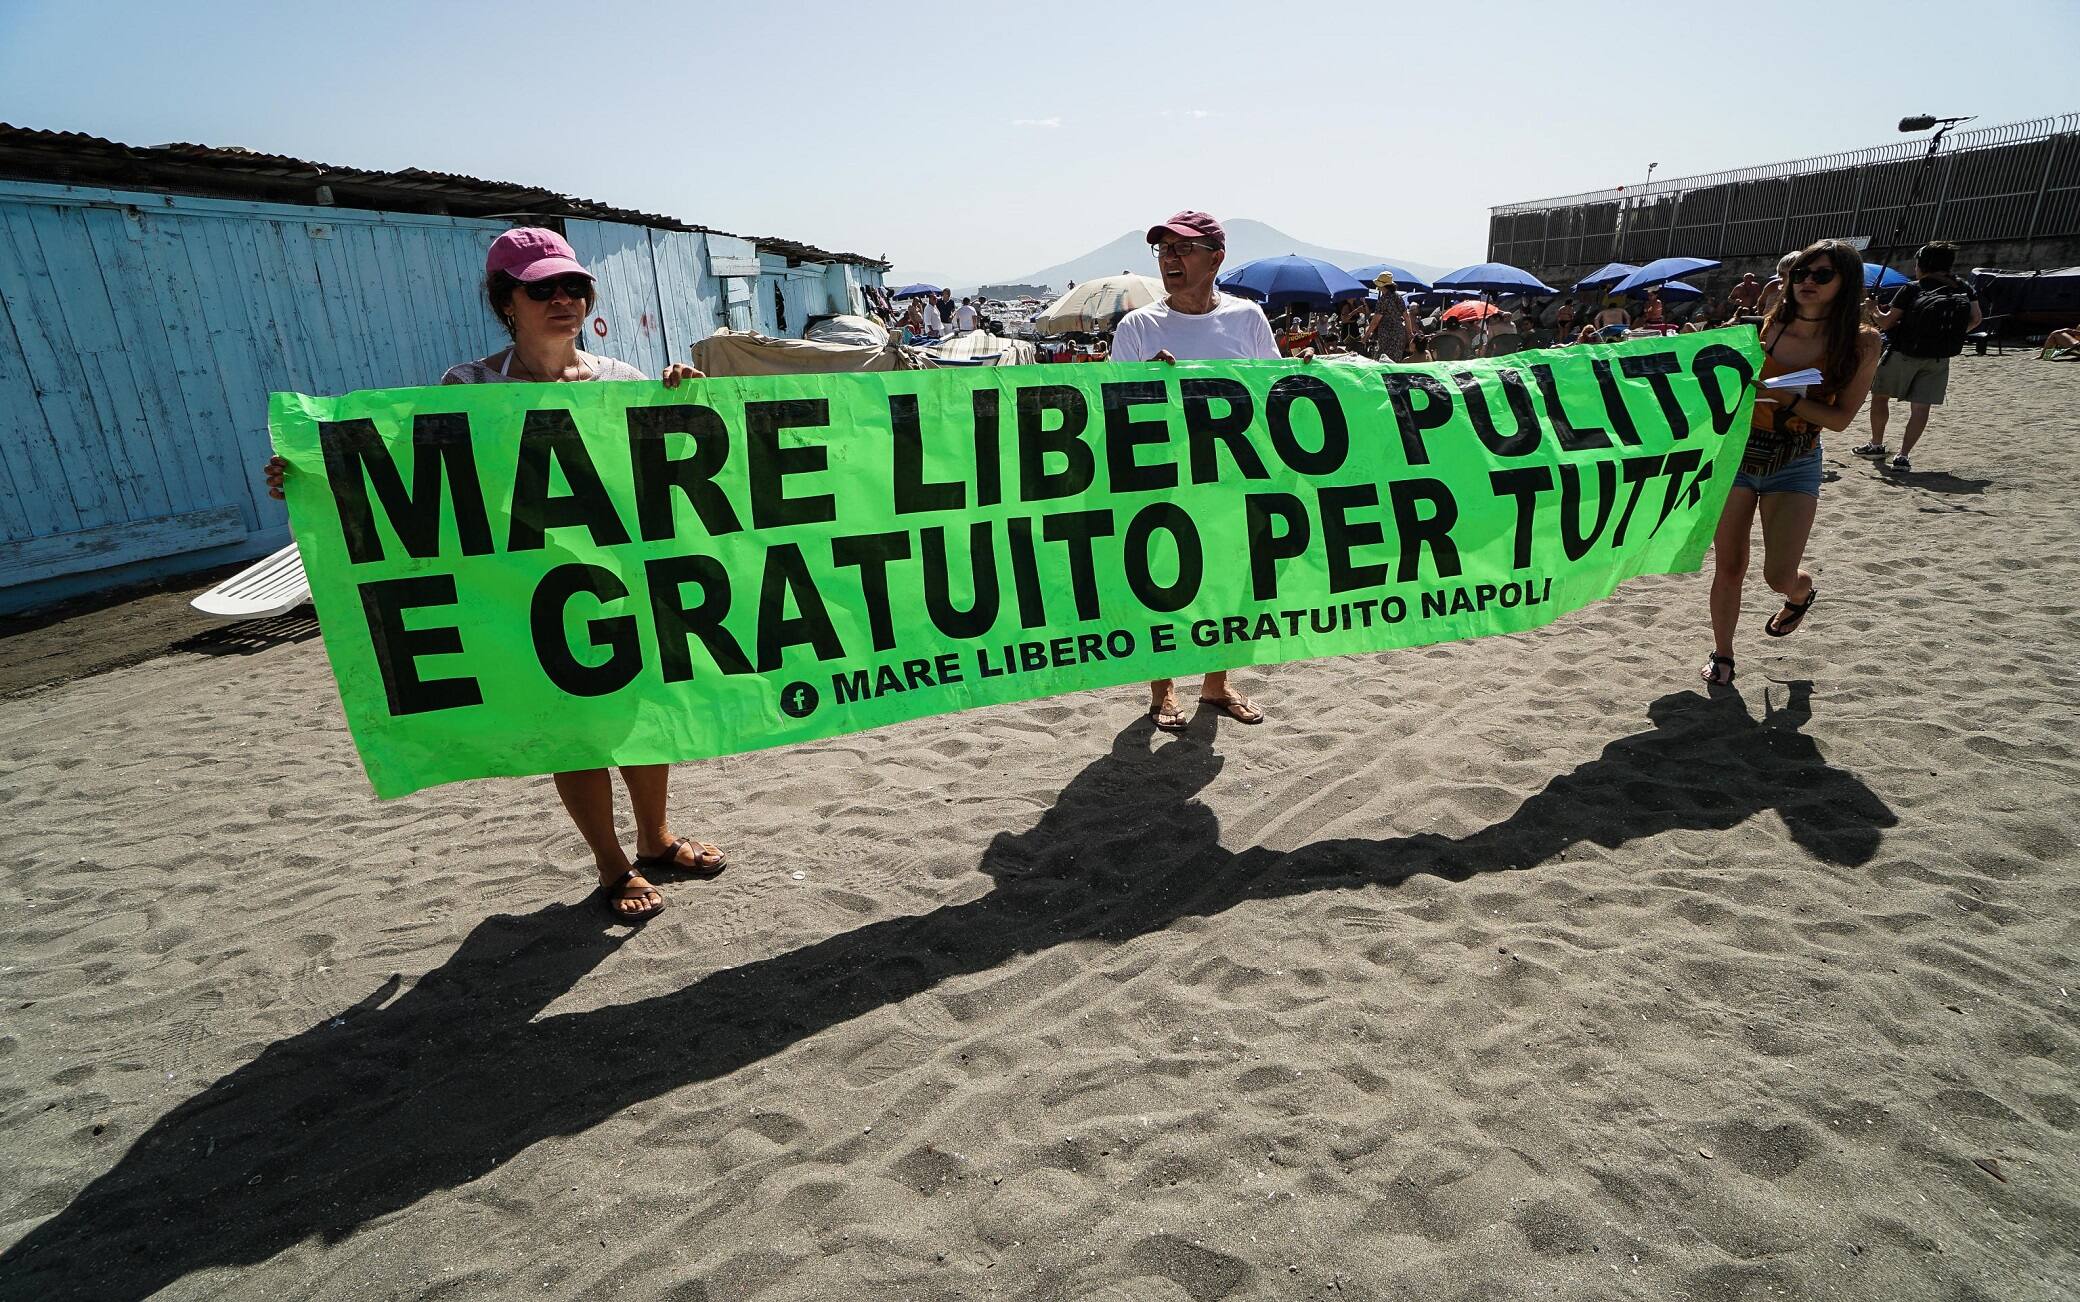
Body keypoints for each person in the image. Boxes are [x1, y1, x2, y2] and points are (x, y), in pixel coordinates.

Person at [263, 228, 720, 924]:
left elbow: (673, 463)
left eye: (575, 287)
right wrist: (312, 478)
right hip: (526, 591)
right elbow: (411, 471)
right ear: (506, 300)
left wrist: (687, 398)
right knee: (575, 725)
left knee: (637, 716)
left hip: (618, 583)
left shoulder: (624, 381)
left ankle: (655, 838)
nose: (564, 300)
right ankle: (611, 862)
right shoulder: (466, 387)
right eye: (543, 289)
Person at [1111, 210, 1278, 731]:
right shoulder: (1138, 327)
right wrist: (1145, 385)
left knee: (1231, 587)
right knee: (1161, 587)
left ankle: (1216, 685)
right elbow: (1110, 412)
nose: (1170, 260)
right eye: (1163, 251)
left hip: (1230, 482)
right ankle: (1162, 691)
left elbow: (1273, 393)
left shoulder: (1248, 318)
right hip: (1162, 483)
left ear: (1216, 257)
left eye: (1183, 249)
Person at [1700, 239, 1881, 687]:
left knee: (1779, 574)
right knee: (1730, 565)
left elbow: (1840, 420)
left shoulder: (1860, 342)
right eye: (1801, 273)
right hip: (1739, 454)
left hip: (1796, 458)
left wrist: (1788, 398)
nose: (1807, 283)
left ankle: (1800, 595)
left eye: (1822, 275)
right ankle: (1723, 655)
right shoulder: (1765, 329)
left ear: (1846, 283)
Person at [1853, 241, 1981, 471]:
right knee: (1921, 409)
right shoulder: (1963, 287)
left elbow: (1887, 322)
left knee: (1880, 396)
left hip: (1904, 353)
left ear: (1921, 264)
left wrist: (1873, 310)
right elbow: (1976, 319)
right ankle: (1903, 456)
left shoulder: (1914, 288)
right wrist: (1946, 336)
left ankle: (1877, 444)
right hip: (1939, 358)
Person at [1365, 272, 1411, 361]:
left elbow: (1375, 322)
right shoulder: (1398, 297)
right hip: (1399, 333)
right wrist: (1409, 333)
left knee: (1383, 360)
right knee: (1395, 361)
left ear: (1382, 286)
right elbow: (1406, 316)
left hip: (1386, 335)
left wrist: (1366, 336)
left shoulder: (1383, 300)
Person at [1756, 251, 1799, 318]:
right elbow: (1761, 303)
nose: (1786, 280)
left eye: (1792, 275)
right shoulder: (1773, 285)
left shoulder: (1804, 293)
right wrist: (1761, 319)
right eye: (1782, 275)